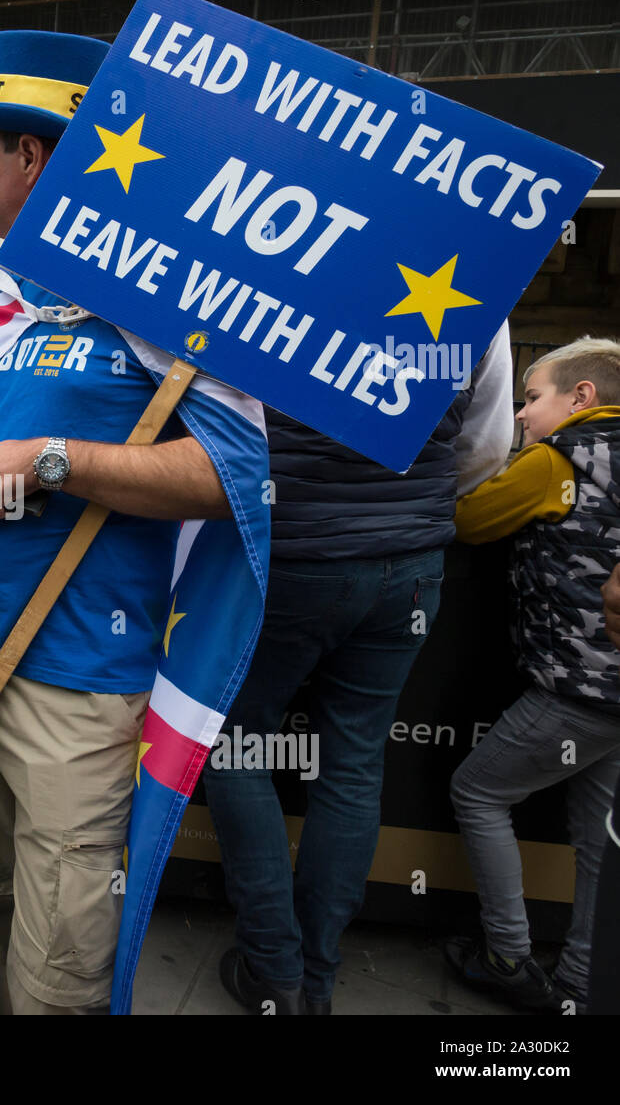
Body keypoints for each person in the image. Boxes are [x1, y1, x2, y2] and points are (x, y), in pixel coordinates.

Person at [0, 30, 269, 1015]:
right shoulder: (9, 307)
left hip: (78, 690)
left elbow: (231, 476)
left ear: (36, 158)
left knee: (61, 959)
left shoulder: (170, 306)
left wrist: (53, 462)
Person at [200, 322, 513, 1015]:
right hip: (410, 565)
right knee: (354, 763)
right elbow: (487, 449)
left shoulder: (282, 243)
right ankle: (315, 977)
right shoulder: (480, 273)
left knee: (236, 745)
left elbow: (217, 423)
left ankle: (275, 967)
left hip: (292, 553)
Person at [445, 338, 620, 1014]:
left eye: (532, 398)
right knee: (597, 836)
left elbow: (470, 520)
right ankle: (581, 977)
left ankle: (508, 956)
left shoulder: (558, 460)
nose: (519, 415)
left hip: (581, 688)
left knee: (478, 792)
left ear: (582, 398)